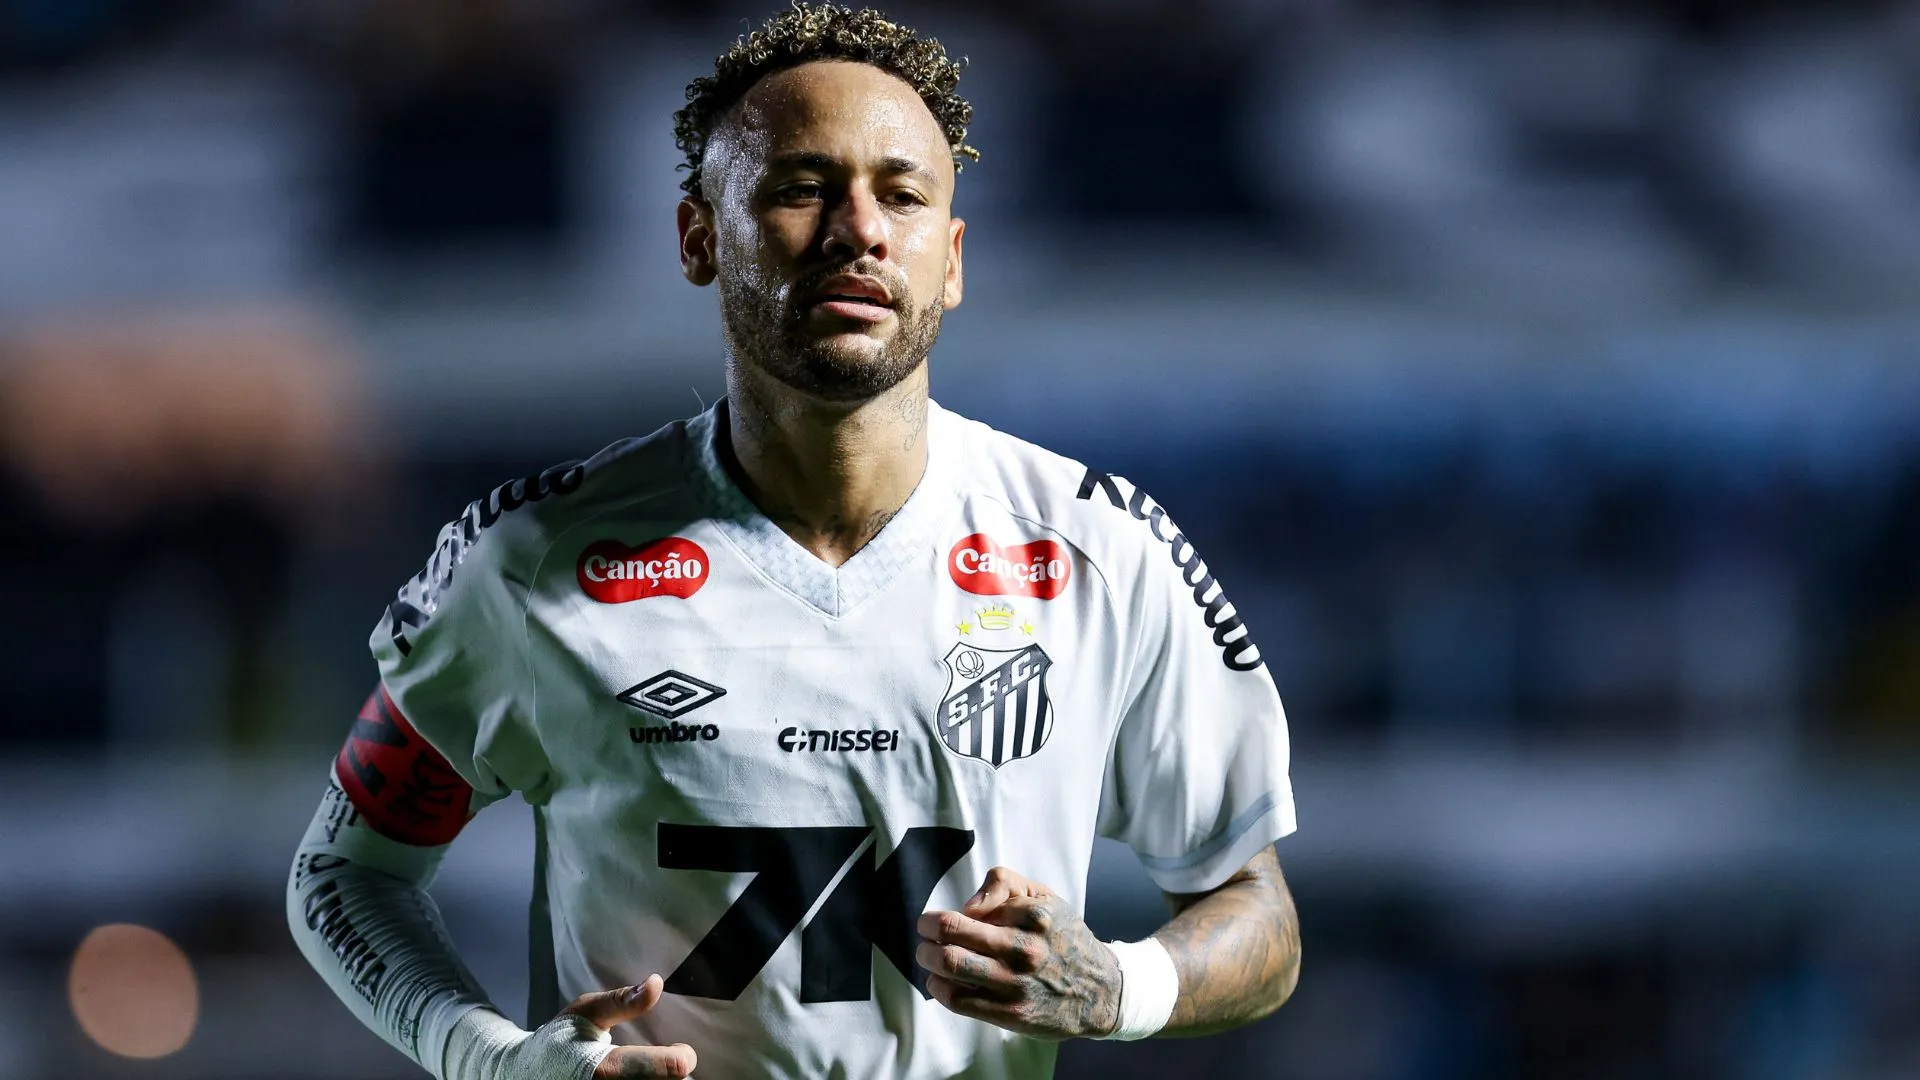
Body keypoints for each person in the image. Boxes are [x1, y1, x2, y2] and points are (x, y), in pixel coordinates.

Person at [287, 5, 1300, 1078]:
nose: (859, 229)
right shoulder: (535, 561)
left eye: (902, 195)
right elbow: (346, 877)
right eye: (801, 187)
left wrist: (1120, 987)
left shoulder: (1103, 555)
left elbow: (1255, 909)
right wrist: (486, 1058)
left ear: (950, 260)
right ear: (698, 240)